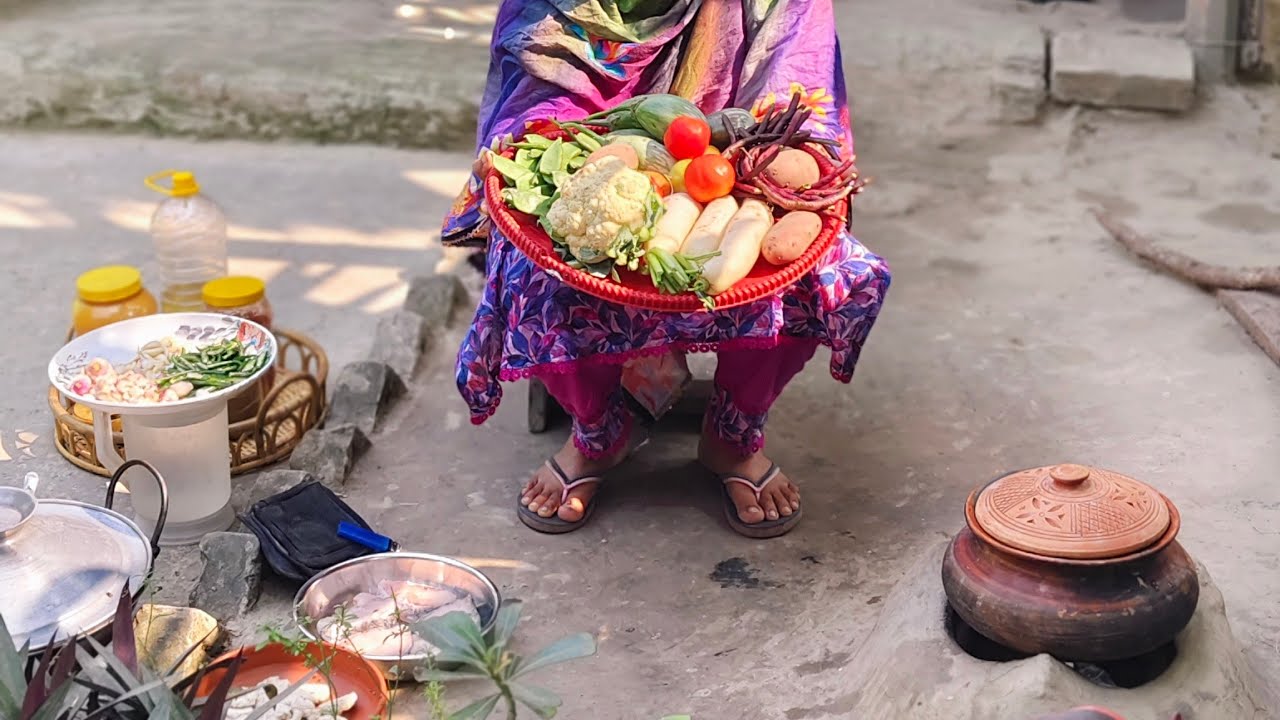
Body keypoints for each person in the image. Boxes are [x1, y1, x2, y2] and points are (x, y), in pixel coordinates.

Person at [442, 0, 890, 538]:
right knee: (531, 268)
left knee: (819, 264)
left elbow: (798, 91)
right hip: (604, 146)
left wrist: (764, 162)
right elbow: (536, 106)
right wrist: (572, 164)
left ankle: (733, 434)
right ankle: (599, 432)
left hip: (738, 161)